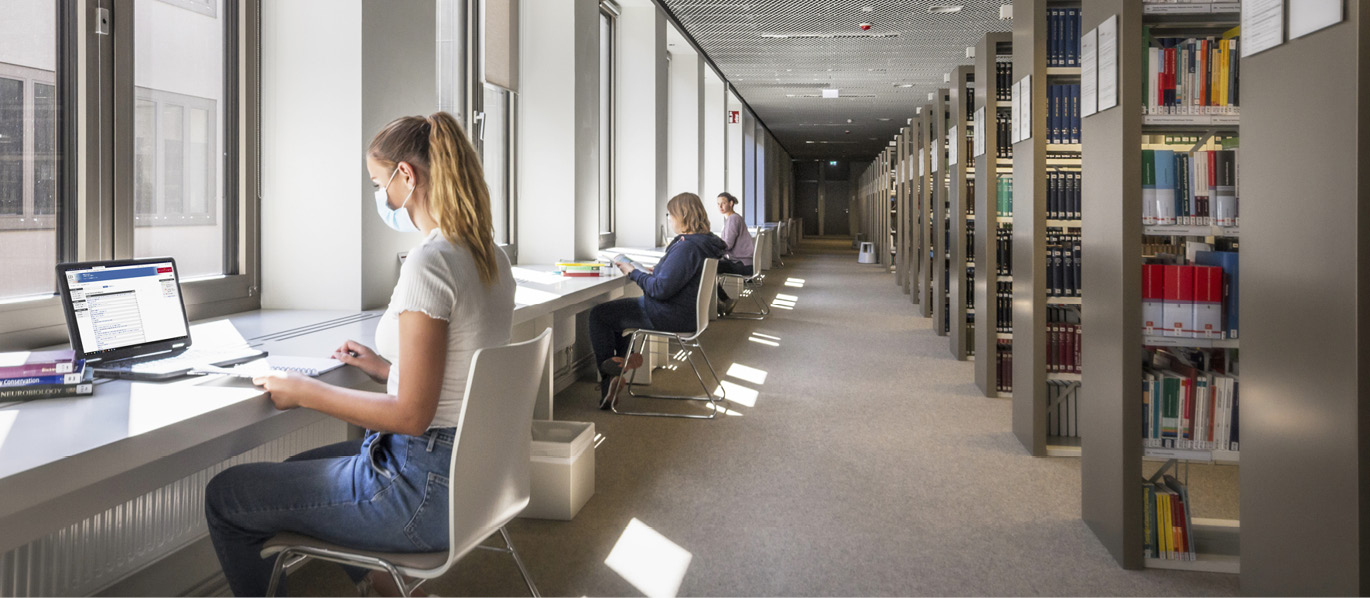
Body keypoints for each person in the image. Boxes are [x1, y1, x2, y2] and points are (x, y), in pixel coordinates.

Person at [203, 112, 515, 598]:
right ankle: (383, 590)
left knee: (227, 496)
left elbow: (412, 415)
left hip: (419, 491)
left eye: (378, 182)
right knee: (294, 470)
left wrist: (306, 391)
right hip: (471, 481)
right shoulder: (490, 257)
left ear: (405, 177)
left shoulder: (430, 264)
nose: (380, 197)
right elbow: (461, 372)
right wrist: (385, 368)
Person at [590, 192, 726, 408]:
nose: (669, 220)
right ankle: (621, 364)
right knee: (618, 317)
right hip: (685, 313)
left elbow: (660, 289)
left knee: (599, 315)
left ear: (682, 216)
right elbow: (675, 277)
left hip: (669, 314)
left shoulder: (687, 247)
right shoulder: (702, 243)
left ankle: (611, 379)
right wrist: (658, 270)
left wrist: (632, 272)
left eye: (670, 215)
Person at [715, 192, 756, 276]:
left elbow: (727, 245)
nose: (720, 206)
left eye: (723, 203)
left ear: (731, 203)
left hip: (741, 265)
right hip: (745, 263)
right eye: (718, 204)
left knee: (708, 266)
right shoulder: (735, 217)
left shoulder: (733, 219)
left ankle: (714, 289)